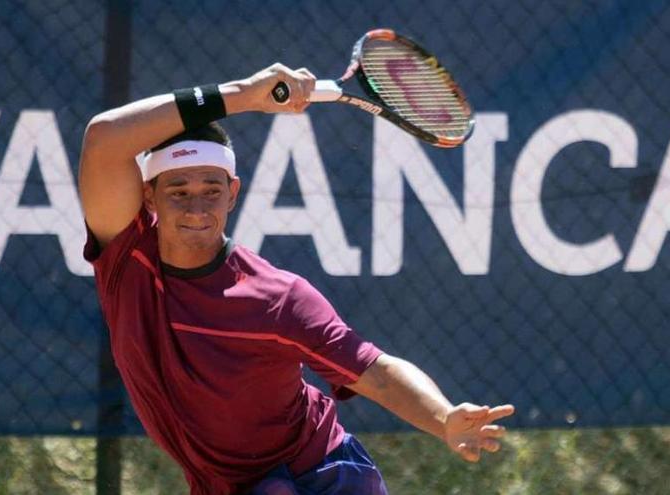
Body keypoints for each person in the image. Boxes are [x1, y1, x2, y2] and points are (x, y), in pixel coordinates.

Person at [79, 63, 515, 495]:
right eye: (179, 192)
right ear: (149, 195)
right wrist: (245, 95)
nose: (197, 209)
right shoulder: (127, 258)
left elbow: (374, 371)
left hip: (322, 480)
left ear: (232, 193)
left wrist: (442, 418)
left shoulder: (277, 299)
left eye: (211, 191)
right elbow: (104, 138)